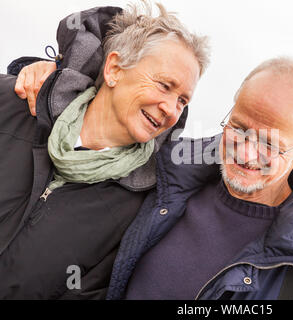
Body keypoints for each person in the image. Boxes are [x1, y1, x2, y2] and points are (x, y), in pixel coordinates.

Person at [19, 56, 293, 299]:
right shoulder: (167, 171)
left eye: (269, 144)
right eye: (238, 128)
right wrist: (47, 74)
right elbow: (106, 111)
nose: (245, 153)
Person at [0, 1, 209, 299]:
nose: (171, 110)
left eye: (182, 100)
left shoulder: (139, 209)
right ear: (113, 69)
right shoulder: (11, 102)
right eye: (164, 85)